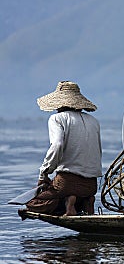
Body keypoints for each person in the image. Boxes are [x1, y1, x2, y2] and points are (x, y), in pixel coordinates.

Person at [21, 81, 102, 217]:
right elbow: (98, 151)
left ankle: (69, 201)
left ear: (59, 103)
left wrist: (44, 174)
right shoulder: (94, 121)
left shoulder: (57, 119)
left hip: (67, 182)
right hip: (91, 186)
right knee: (70, 193)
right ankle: (85, 200)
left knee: (32, 204)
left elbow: (57, 145)